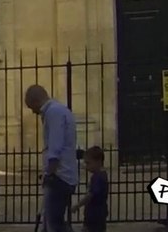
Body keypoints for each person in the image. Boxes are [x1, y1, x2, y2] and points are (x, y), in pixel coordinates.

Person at [26, 85, 78, 232]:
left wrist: (49, 174)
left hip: (59, 177)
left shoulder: (53, 113)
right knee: (51, 222)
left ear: (36, 101)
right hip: (62, 176)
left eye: (31, 107)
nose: (33, 112)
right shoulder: (58, 110)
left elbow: (55, 148)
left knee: (54, 224)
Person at [74, 146, 108, 232]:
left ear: (98, 161)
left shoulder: (98, 177)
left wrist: (77, 206)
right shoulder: (102, 175)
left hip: (94, 214)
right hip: (98, 213)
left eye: (88, 163)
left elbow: (90, 195)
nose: (86, 166)